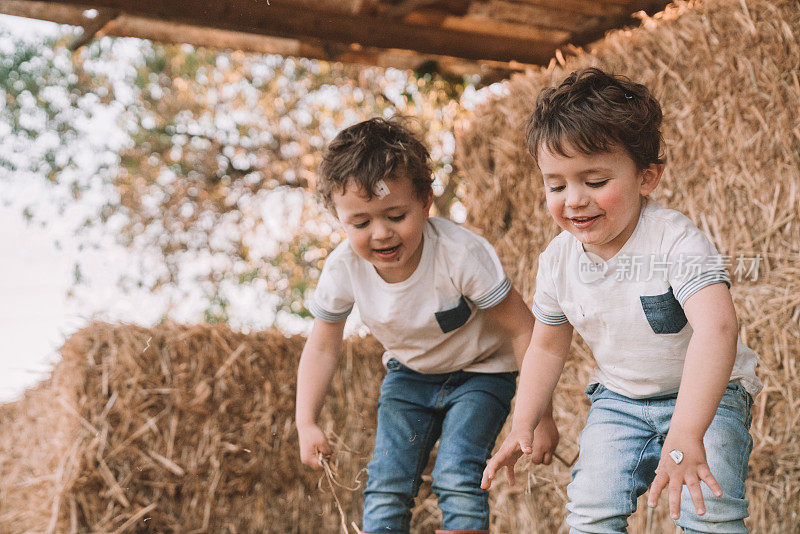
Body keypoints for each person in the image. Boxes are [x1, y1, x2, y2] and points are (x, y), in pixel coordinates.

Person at [481, 68, 761, 533]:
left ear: (647, 177)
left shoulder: (675, 241)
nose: (573, 200)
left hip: (709, 395)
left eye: (594, 181)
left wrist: (687, 432)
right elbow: (547, 347)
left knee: (709, 512)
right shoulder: (557, 261)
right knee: (591, 512)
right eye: (556, 185)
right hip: (620, 401)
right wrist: (523, 423)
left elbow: (718, 329)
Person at [295, 117, 558, 534]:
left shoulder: (460, 254)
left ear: (425, 202)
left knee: (458, 473)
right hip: (409, 378)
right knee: (386, 482)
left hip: (482, 373)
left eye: (395, 215)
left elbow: (524, 329)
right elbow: (324, 346)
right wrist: (306, 421)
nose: (380, 233)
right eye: (360, 223)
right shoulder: (342, 269)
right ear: (338, 219)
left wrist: (538, 415)